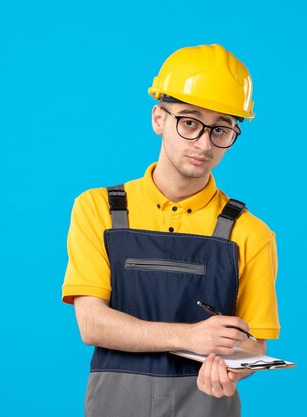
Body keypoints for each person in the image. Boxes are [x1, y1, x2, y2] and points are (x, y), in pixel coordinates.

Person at [62, 44, 280, 417]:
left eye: (221, 129)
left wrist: (232, 369)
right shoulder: (98, 209)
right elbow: (92, 324)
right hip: (116, 403)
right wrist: (190, 337)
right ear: (158, 118)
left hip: (206, 403)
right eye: (190, 122)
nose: (203, 143)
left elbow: (254, 345)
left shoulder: (251, 233)